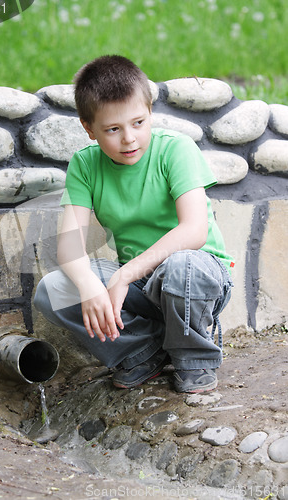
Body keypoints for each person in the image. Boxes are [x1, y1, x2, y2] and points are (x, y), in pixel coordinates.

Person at [34, 54, 234, 394]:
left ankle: (194, 357)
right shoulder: (85, 165)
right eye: (113, 129)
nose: (129, 138)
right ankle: (143, 351)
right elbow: (69, 245)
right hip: (141, 287)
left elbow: (194, 232)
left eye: (139, 123)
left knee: (181, 266)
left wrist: (123, 274)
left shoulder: (176, 150)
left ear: (150, 112)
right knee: (52, 290)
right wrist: (89, 285)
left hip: (198, 275)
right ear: (89, 128)